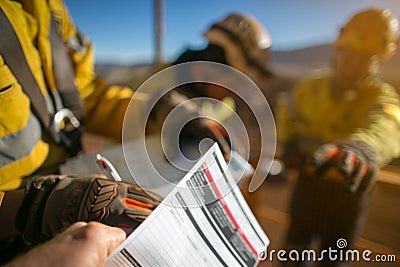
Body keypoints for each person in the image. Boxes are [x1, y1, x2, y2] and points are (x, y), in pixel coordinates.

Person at [0, 0, 230, 264]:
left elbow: (85, 95)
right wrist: (30, 208)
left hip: (64, 198)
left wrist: (159, 113)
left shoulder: (48, 8)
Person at [276, 8, 400, 266]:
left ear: (377, 61)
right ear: (337, 51)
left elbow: (388, 125)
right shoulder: (310, 88)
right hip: (307, 188)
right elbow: (288, 115)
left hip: (348, 194)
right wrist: (289, 144)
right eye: (347, 55)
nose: (351, 65)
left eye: (364, 58)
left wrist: (362, 148)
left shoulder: (380, 98)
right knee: (292, 255)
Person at [171, 12, 290, 166]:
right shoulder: (157, 86)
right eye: (235, 83)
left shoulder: (225, 105)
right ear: (206, 69)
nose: (235, 93)